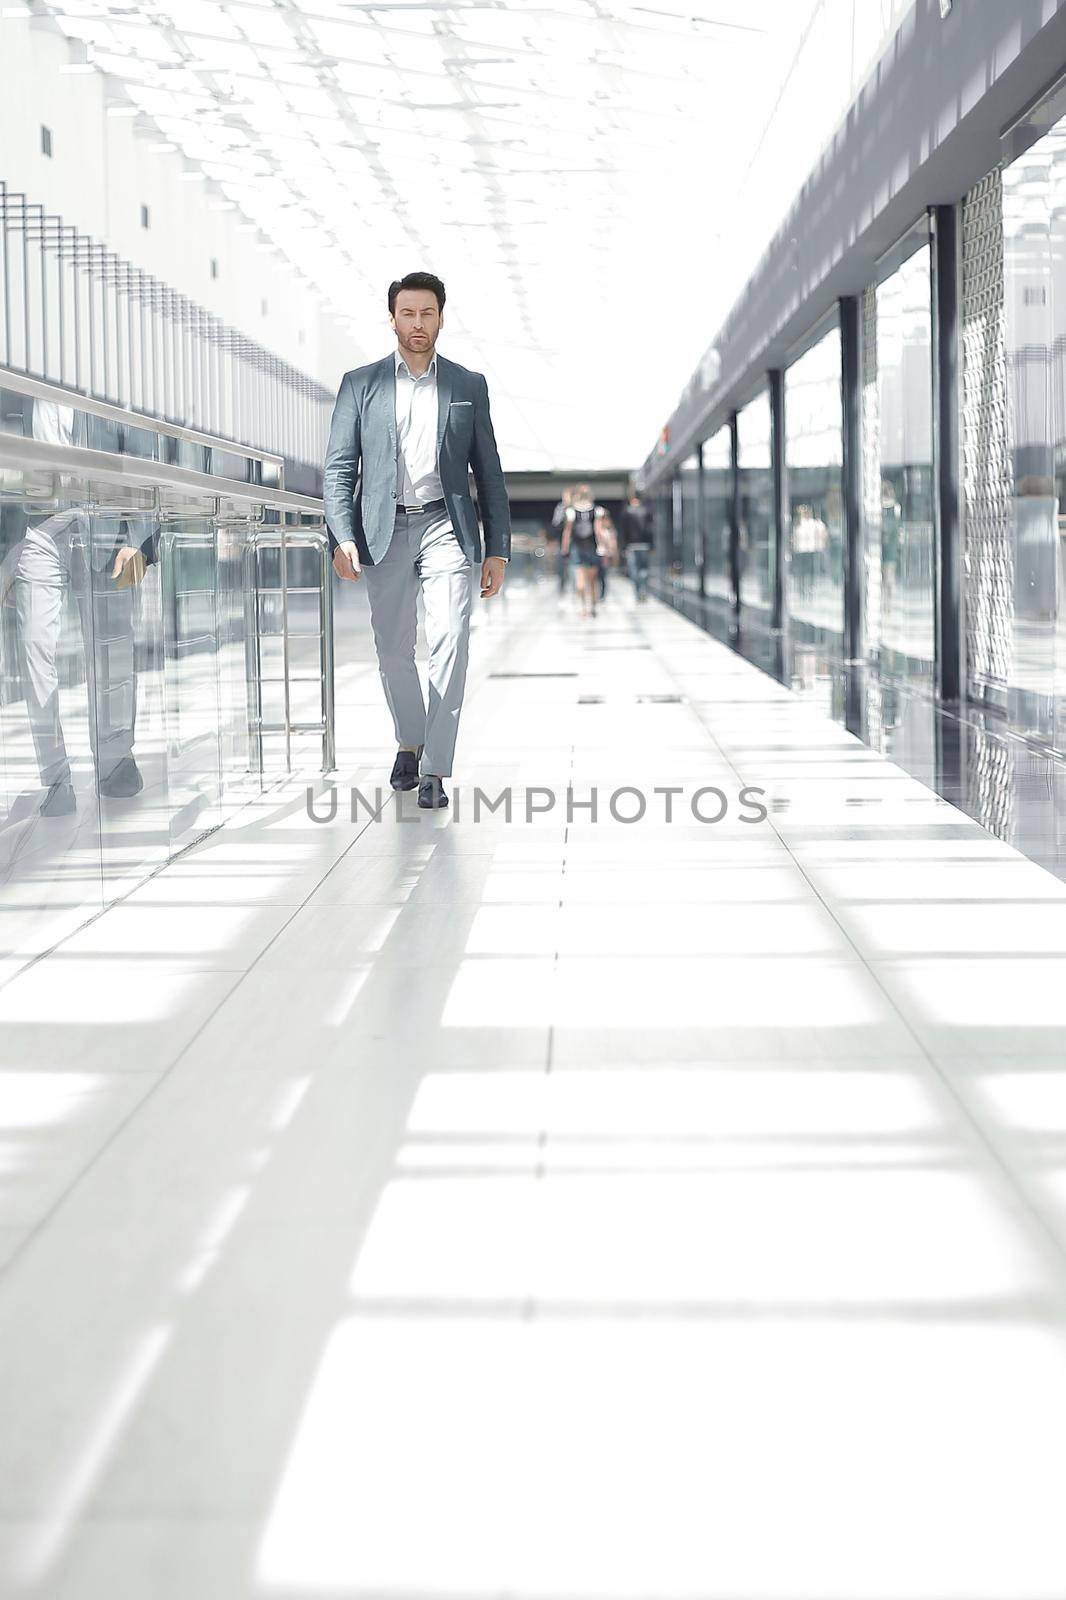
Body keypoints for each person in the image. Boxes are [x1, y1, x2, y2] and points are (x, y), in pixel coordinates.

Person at [323, 271, 511, 810]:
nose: (418, 323)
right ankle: (411, 738)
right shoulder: (360, 385)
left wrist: (496, 547)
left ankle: (434, 768)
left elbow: (489, 472)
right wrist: (342, 535)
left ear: (441, 317)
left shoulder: (467, 385)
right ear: (392, 319)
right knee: (392, 650)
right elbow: (339, 468)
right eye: (408, 313)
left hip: (446, 525)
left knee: (451, 636)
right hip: (382, 531)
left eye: (427, 313)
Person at [561, 484, 608, 619]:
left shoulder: (573, 512)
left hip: (582, 548)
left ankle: (586, 606)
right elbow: (597, 532)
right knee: (589, 581)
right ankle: (589, 606)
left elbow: (568, 531)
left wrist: (565, 548)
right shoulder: (596, 511)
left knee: (585, 581)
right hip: (587, 548)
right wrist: (603, 548)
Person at [620, 490, 654, 603]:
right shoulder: (646, 512)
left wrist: (623, 547)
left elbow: (623, 532)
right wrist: (652, 545)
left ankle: (638, 592)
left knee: (634, 570)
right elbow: (650, 530)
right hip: (643, 545)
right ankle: (642, 590)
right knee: (643, 570)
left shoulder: (626, 513)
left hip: (632, 545)